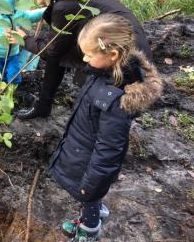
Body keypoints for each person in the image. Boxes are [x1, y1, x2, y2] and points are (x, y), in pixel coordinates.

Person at [48, 14, 163, 241]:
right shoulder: (99, 73)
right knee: (89, 195)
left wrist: (93, 184)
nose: (85, 59)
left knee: (88, 195)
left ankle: (90, 228)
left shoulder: (116, 101)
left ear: (112, 55)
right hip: (82, 149)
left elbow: (109, 150)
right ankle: (95, 210)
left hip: (91, 162)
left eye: (90, 54)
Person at [6, 0, 152, 120]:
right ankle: (44, 107)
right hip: (127, 50)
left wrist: (24, 40)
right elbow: (58, 53)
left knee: (102, 111)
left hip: (123, 59)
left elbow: (51, 51)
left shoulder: (65, 4)